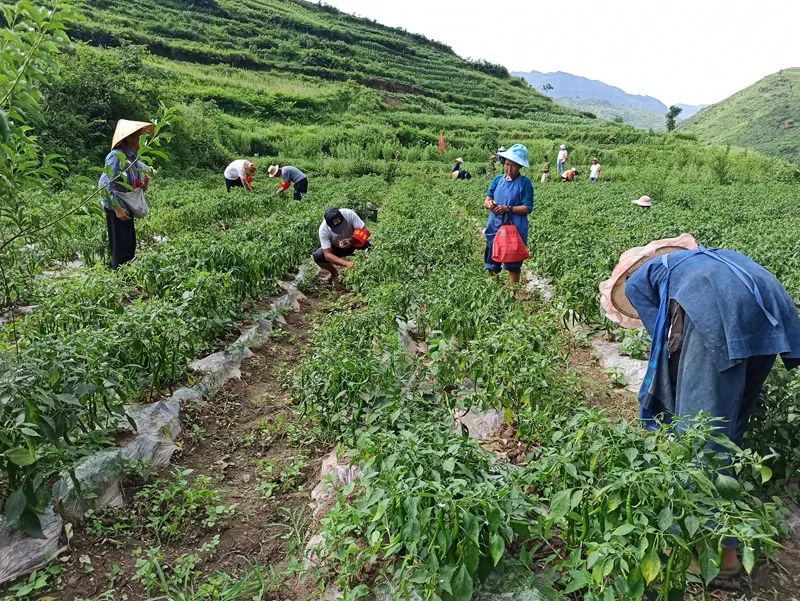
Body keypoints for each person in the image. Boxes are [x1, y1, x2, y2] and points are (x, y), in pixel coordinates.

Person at [599, 234, 800, 582]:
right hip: (770, 309)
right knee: (730, 424)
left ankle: (723, 556)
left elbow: (664, 344)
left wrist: (665, 403)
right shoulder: (704, 260)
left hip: (717, 313)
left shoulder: (639, 284)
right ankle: (728, 511)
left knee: (701, 435)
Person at [98, 119, 154, 269]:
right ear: (128, 139)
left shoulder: (131, 158)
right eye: (137, 138)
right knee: (121, 245)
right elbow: (104, 184)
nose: (139, 142)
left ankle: (126, 273)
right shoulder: (116, 156)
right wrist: (116, 208)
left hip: (126, 205)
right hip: (117, 207)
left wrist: (142, 183)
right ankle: (119, 276)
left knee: (129, 243)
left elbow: (137, 172)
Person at [482, 144, 534, 284]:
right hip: (495, 225)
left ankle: (512, 295)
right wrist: (489, 204)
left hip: (514, 229)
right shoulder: (497, 180)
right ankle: (496, 290)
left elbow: (527, 208)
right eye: (507, 164)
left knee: (513, 266)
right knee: (491, 261)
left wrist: (508, 208)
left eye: (514, 166)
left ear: (520, 167)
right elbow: (487, 199)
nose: (509, 168)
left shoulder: (525, 183)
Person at [312, 208, 371, 284]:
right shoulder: (323, 229)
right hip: (336, 247)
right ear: (328, 225)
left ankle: (367, 269)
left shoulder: (349, 214)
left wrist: (351, 240)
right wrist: (346, 263)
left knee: (371, 250)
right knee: (318, 257)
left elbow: (366, 232)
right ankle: (334, 273)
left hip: (355, 241)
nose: (340, 230)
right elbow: (327, 255)